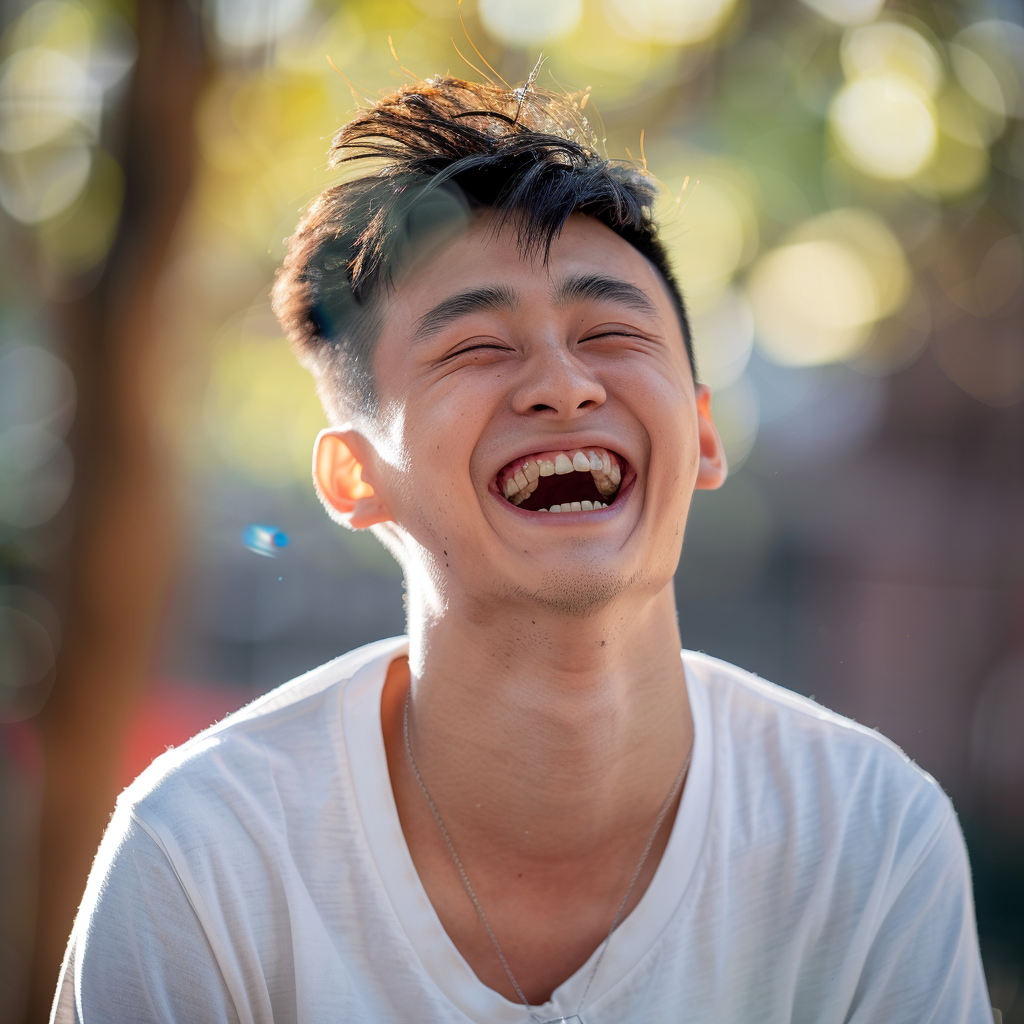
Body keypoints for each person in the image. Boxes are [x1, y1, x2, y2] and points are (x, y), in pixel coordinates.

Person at [53, 76, 992, 1024]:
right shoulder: (204, 861)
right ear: (352, 479)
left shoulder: (869, 835)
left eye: (613, 332)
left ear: (703, 435)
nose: (564, 384)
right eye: (474, 348)